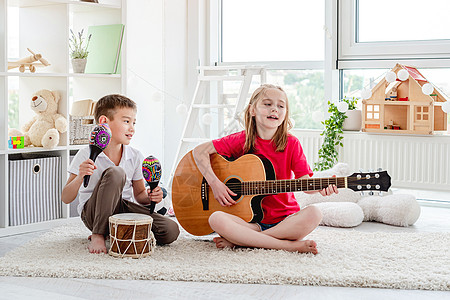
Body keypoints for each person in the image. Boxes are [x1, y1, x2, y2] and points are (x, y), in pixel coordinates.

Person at [192, 84, 338, 254]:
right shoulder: (241, 140)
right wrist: (215, 184)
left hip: (286, 221)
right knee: (216, 218)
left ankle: (243, 241)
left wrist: (321, 188)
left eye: (280, 106)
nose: (274, 109)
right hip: (249, 221)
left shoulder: (291, 143)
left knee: (314, 213)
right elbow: (199, 152)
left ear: (285, 113)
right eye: (267, 104)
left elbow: (303, 182)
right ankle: (287, 246)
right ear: (252, 110)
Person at [61, 94, 179, 254]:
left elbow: (139, 195)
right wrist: (80, 176)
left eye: (133, 122)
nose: (132, 128)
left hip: (123, 209)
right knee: (116, 173)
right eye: (126, 121)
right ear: (104, 122)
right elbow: (66, 198)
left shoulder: (135, 156)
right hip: (93, 212)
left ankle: (113, 230)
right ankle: (98, 234)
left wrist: (151, 196)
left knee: (170, 229)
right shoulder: (85, 154)